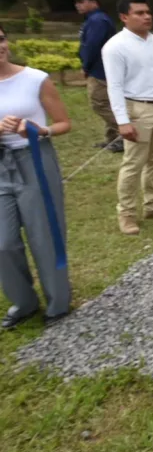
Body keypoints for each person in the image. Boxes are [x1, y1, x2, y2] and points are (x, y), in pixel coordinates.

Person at [0, 23, 73, 329]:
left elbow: (63, 123)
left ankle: (58, 303)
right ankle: (24, 302)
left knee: (44, 234)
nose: (0, 46)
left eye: (1, 39)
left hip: (34, 159)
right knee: (3, 242)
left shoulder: (35, 79)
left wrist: (37, 130)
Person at [102, 0, 153, 235]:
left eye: (148, 12)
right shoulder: (115, 46)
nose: (146, 16)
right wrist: (123, 121)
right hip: (137, 108)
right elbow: (114, 86)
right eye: (139, 13)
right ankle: (126, 213)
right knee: (133, 163)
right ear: (124, 17)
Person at [74, 0, 121, 152]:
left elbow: (92, 46)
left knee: (99, 103)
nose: (77, 5)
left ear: (93, 2)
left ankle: (123, 133)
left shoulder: (97, 20)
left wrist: (85, 66)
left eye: (82, 1)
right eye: (76, 2)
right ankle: (113, 138)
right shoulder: (93, 19)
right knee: (108, 103)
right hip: (100, 68)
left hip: (100, 69)